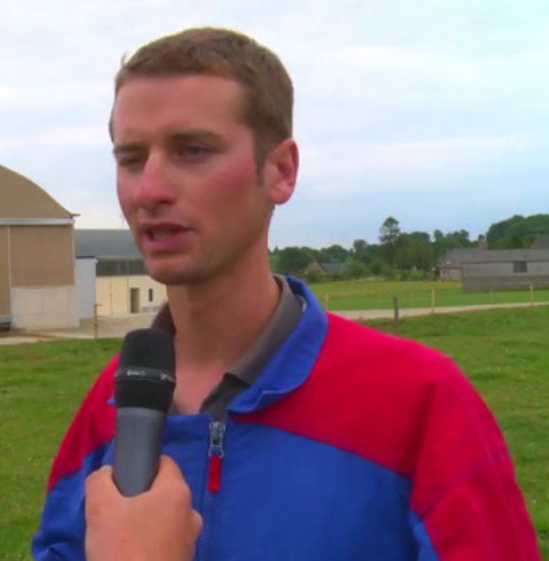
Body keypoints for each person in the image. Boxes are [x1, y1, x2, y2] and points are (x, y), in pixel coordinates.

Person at [31, 27, 540, 561]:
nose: (148, 190)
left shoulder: (422, 403)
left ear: (281, 170)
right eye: (131, 159)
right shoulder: (107, 408)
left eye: (193, 150)